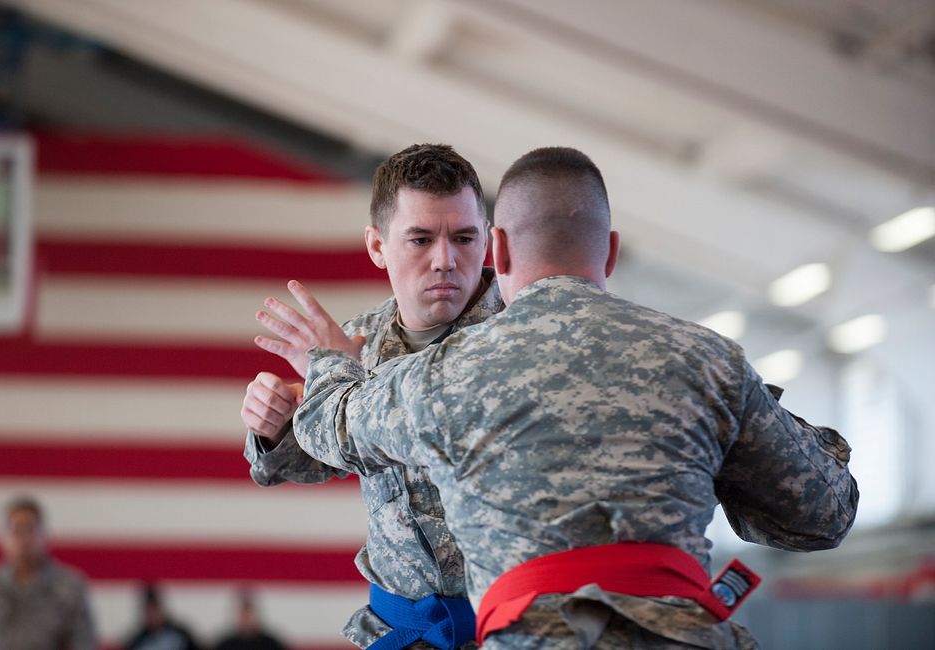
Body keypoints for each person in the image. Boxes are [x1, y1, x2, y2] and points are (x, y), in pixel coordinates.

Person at [289, 147, 860, 648]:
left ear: (498, 249)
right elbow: (822, 515)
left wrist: (333, 362)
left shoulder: (447, 372)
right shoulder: (707, 360)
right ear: (610, 251)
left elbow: (331, 427)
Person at [240, 144, 504, 649]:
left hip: (509, 631)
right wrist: (273, 427)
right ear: (377, 246)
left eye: (465, 237)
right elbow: (308, 463)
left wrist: (337, 382)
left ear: (488, 240)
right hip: (400, 631)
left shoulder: (519, 336)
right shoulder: (357, 341)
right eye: (421, 239)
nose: (445, 260)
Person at [0, 495, 96, 650]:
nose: (24, 539)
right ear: (1, 536)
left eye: (30, 529)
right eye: (15, 530)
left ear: (44, 534)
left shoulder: (70, 586)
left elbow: (83, 643)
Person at [124, 584, 202, 650]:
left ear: (161, 610)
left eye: (154, 610)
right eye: (148, 611)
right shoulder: (138, 641)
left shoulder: (180, 634)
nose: (152, 616)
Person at [212, 589, 288, 650]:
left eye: (249, 614)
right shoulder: (226, 645)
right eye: (243, 615)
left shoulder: (270, 644)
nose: (246, 619)